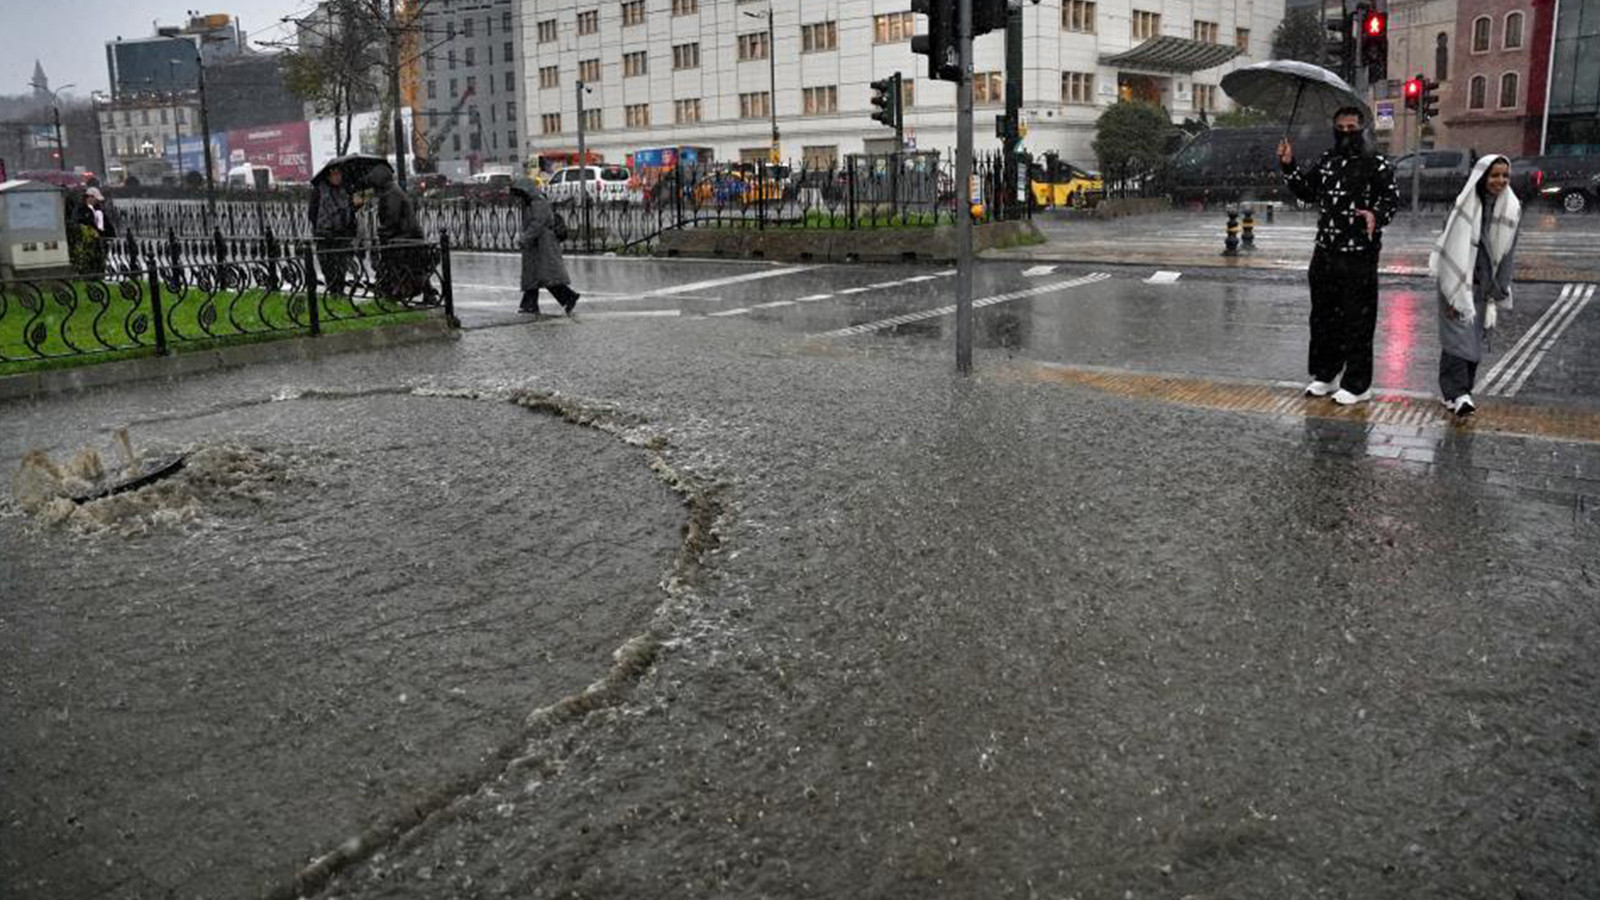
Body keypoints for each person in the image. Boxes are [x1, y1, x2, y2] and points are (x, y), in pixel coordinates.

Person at [1278, 106, 1400, 406]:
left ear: (1362, 129)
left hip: (1359, 254)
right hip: (1325, 252)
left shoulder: (1377, 164)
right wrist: (1289, 165)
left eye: (1352, 128)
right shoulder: (1327, 161)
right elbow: (1307, 192)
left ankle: (1358, 384)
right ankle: (1325, 374)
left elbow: (1391, 199)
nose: (1346, 133)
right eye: (1341, 128)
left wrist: (1376, 215)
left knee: (1357, 320)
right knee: (1322, 318)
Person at [1429, 155, 1521, 418]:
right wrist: (1453, 290)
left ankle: (1457, 392)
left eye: (1505, 175)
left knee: (1471, 340)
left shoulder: (1512, 209)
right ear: (1482, 177)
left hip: (1484, 286)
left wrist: (1501, 287)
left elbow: (1508, 252)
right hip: (1456, 283)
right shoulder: (1464, 206)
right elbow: (1451, 247)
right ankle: (1460, 394)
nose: (1500, 181)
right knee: (1458, 338)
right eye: (1494, 175)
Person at [365, 167, 436, 303]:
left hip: (405, 237)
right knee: (414, 267)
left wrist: (382, 233)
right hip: (407, 236)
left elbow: (392, 219)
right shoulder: (391, 191)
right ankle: (425, 292)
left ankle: (392, 289)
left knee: (401, 265)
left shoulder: (391, 194)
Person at [518, 183, 580, 316]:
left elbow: (537, 224)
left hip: (543, 245)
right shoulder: (531, 203)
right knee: (536, 276)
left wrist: (524, 238)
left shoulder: (538, 203)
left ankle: (567, 297)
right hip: (536, 246)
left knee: (545, 275)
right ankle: (530, 304)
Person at [308, 167, 361, 295]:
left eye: (339, 174)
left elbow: (349, 212)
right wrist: (323, 227)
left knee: (341, 266)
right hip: (325, 236)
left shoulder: (345, 190)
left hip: (342, 235)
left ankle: (339, 292)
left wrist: (356, 206)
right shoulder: (319, 191)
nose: (338, 177)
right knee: (328, 267)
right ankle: (333, 292)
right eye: (334, 174)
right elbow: (312, 213)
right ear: (328, 176)